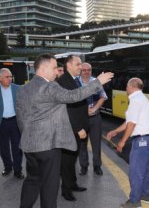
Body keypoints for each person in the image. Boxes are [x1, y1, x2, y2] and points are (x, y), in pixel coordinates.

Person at [16, 53, 113, 208]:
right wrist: (98, 83)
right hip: (48, 146)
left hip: (29, 145)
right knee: (49, 187)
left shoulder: (23, 88)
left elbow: (20, 119)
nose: (56, 72)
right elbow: (73, 96)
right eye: (54, 68)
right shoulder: (50, 86)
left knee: (32, 180)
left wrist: (27, 136)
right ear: (44, 67)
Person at [107, 78, 149, 208]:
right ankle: (146, 195)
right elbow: (129, 121)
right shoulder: (142, 98)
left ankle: (134, 202)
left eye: (126, 87)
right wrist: (116, 131)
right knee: (146, 170)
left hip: (142, 141)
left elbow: (131, 124)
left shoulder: (135, 101)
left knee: (136, 172)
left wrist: (122, 142)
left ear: (130, 87)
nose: (125, 89)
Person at [56, 55, 89, 201]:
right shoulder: (63, 81)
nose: (81, 67)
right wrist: (78, 128)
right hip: (70, 129)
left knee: (73, 158)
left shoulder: (73, 80)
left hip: (77, 128)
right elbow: (67, 109)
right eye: (78, 64)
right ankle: (66, 190)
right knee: (67, 161)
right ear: (69, 65)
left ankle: (73, 184)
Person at [0, 68, 24, 179]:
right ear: (0, 78)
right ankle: (8, 167)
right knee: (4, 147)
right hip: (1, 122)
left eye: (11, 76)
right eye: (7, 77)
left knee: (17, 147)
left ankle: (17, 170)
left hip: (15, 121)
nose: (10, 79)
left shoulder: (17, 88)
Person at [78, 62, 108, 176]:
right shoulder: (76, 82)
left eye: (88, 70)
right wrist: (84, 111)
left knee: (96, 144)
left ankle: (97, 166)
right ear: (81, 70)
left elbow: (103, 97)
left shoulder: (96, 81)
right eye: (84, 70)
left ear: (91, 70)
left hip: (95, 118)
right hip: (81, 118)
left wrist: (94, 108)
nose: (86, 72)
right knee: (82, 144)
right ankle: (84, 166)